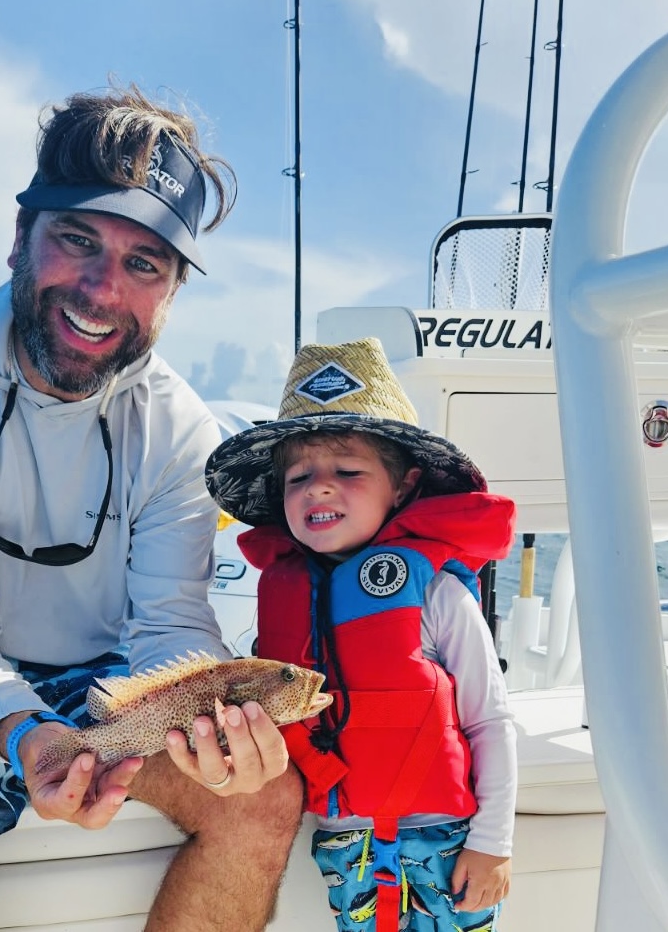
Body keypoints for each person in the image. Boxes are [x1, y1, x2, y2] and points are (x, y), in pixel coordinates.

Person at [0, 84, 303, 932]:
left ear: (173, 292)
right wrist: (26, 734)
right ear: (18, 242)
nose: (104, 289)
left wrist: (216, 736)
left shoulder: (182, 426)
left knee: (264, 798)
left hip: (95, 679)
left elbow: (171, 626)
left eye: (145, 264)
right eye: (78, 240)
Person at [205, 337, 518, 932]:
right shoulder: (281, 595)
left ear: (402, 488)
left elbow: (490, 721)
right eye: (298, 478)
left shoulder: (436, 594)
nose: (319, 488)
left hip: (446, 841)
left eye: (348, 471)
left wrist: (493, 842)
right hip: (345, 844)